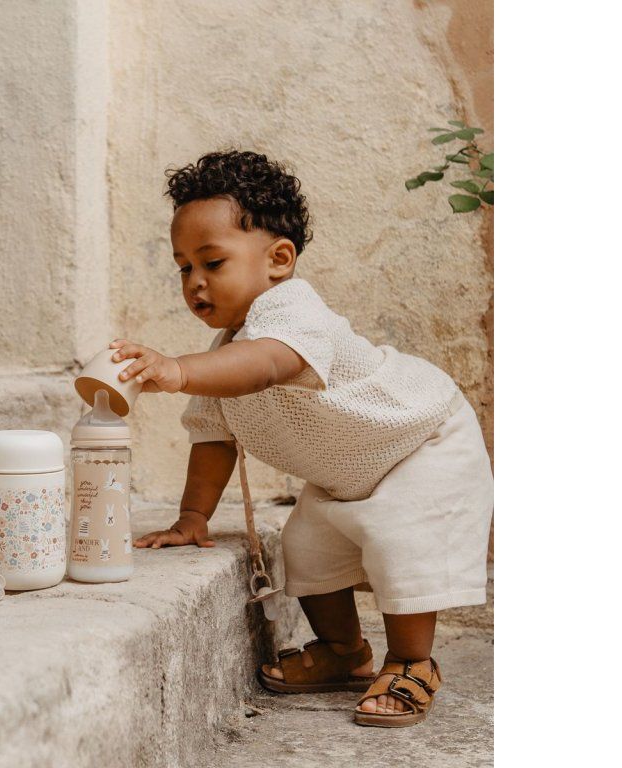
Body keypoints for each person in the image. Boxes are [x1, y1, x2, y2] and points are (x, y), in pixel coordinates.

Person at [115, 150, 493, 728]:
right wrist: (193, 517)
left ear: (279, 259)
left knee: (404, 540)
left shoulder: (292, 313)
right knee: (307, 551)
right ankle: (345, 652)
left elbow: (269, 363)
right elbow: (213, 439)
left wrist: (178, 369)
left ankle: (411, 661)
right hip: (351, 468)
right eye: (183, 268)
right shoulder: (225, 354)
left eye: (212, 262)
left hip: (421, 439)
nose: (195, 283)